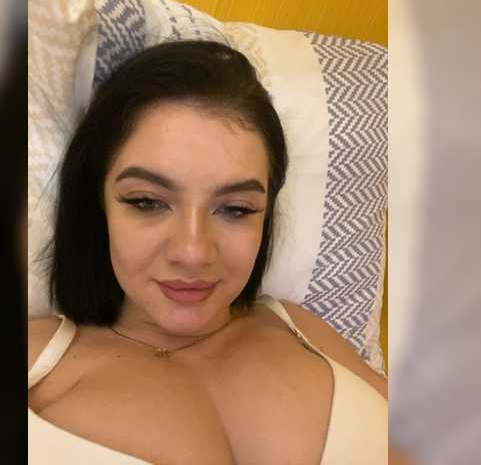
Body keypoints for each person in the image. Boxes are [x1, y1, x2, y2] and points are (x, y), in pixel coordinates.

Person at [28, 40, 388, 464]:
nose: (193, 252)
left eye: (236, 209)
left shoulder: (303, 330)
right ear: (98, 204)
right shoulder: (29, 362)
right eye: (147, 202)